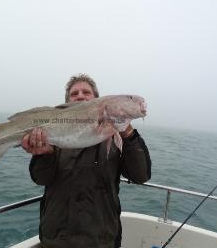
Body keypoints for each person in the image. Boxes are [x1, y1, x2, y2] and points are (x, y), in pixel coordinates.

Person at [21, 73, 151, 248]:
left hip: (101, 240)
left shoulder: (117, 138)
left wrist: (128, 133)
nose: (80, 96)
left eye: (86, 92)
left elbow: (140, 175)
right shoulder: (53, 135)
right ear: (67, 103)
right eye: (74, 94)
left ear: (98, 101)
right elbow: (40, 179)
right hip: (57, 240)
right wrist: (45, 154)